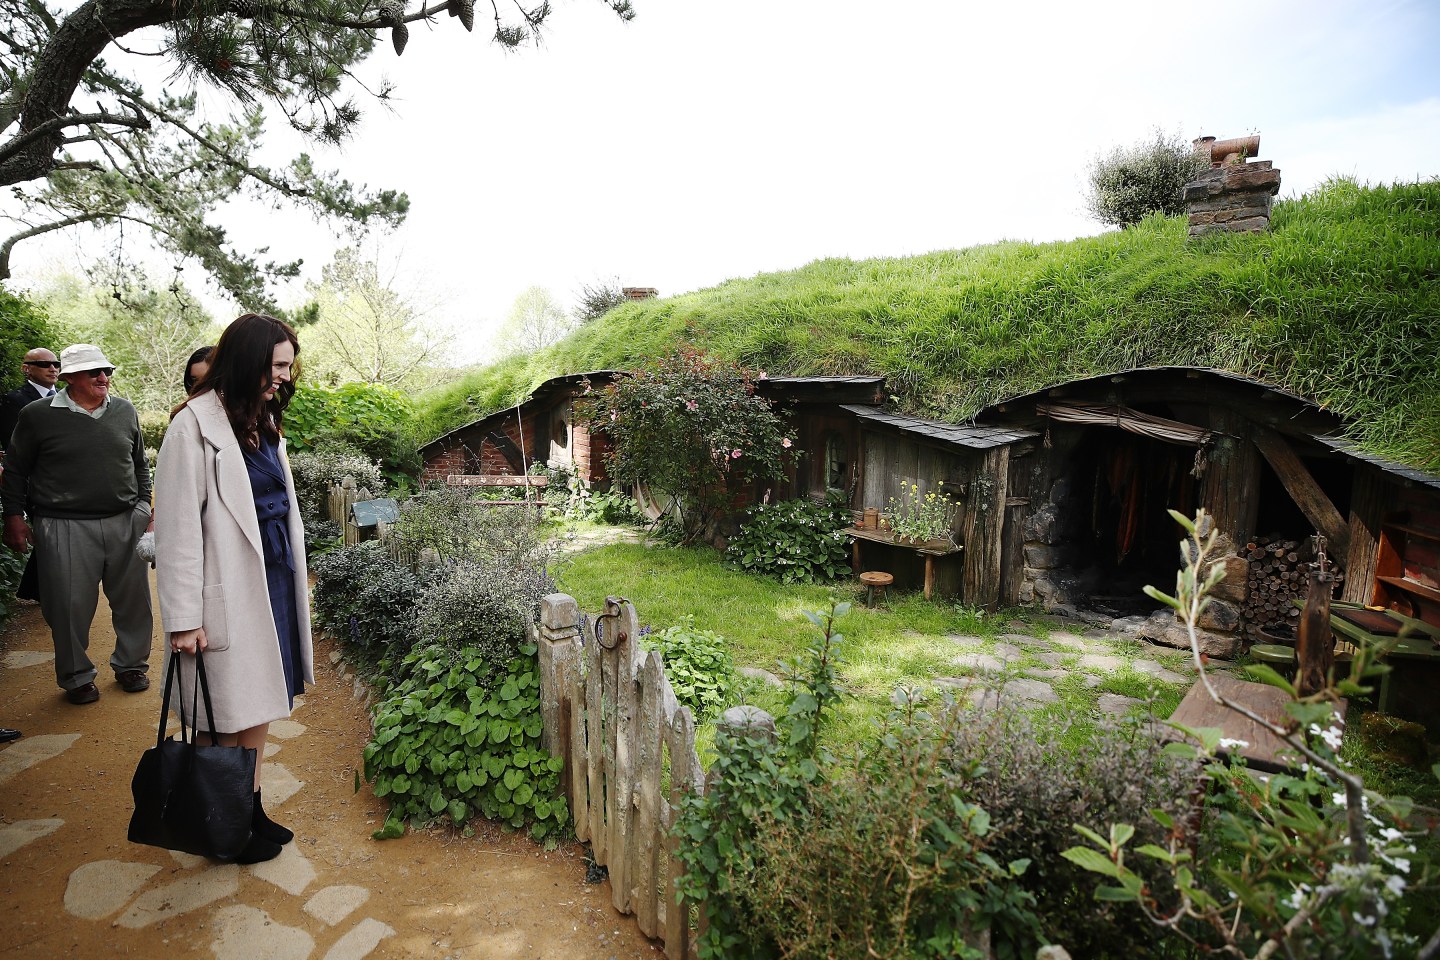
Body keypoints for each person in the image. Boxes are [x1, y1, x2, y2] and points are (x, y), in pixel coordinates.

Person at [154, 313, 313, 865]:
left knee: (258, 701)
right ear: (247, 360)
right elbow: (175, 532)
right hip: (224, 585)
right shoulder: (191, 427)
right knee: (220, 714)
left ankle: (248, 804)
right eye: (277, 366)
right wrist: (182, 617)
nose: (285, 378)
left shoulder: (260, 418)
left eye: (289, 367)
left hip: (271, 578)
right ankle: (219, 821)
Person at [0, 344, 154, 704]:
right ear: (69, 377)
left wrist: (143, 506)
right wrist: (14, 518)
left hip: (124, 519)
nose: (104, 378)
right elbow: (17, 470)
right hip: (62, 523)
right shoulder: (37, 415)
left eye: (106, 371)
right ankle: (76, 676)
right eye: (93, 372)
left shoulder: (124, 410)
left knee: (134, 601)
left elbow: (140, 462)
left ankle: (132, 665)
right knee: (67, 606)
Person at [0, 347, 61, 454]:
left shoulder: (69, 397)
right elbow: (13, 444)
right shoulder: (14, 400)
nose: (53, 369)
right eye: (44, 364)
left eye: (56, 364)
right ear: (26, 368)